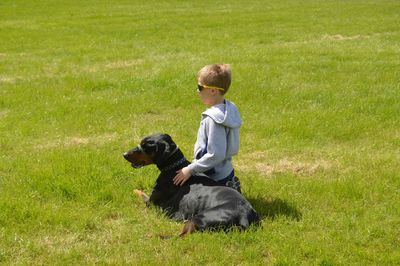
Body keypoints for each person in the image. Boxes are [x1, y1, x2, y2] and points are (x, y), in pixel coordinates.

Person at [173, 64, 242, 192]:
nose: (197, 91)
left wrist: (190, 169)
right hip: (226, 172)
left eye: (200, 87)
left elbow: (216, 154)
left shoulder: (214, 119)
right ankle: (230, 186)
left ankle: (226, 190)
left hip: (213, 175)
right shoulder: (229, 108)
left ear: (213, 90)